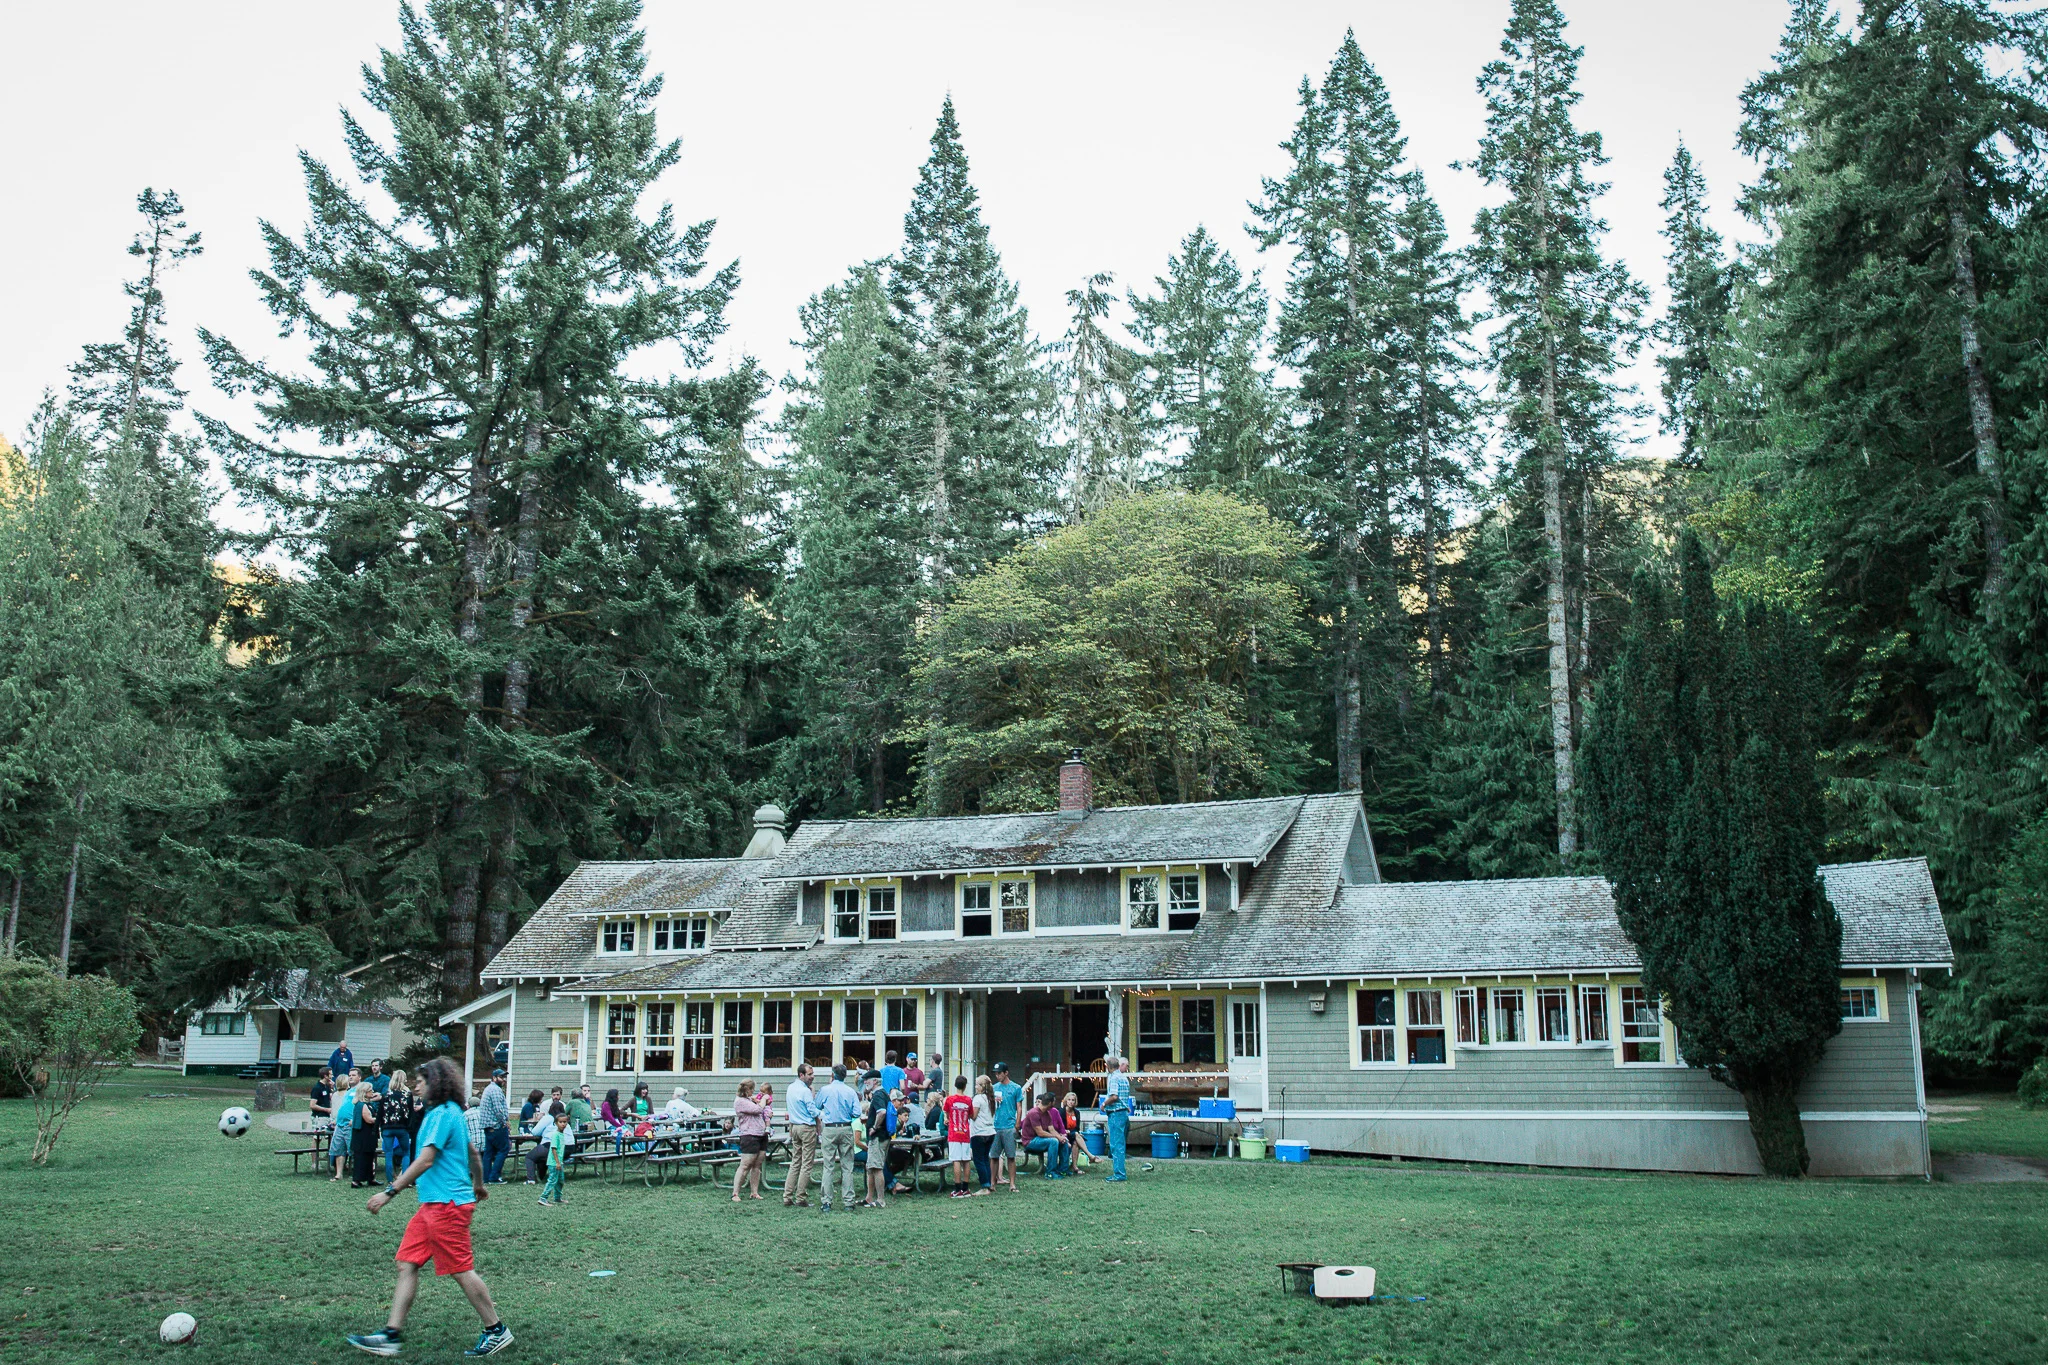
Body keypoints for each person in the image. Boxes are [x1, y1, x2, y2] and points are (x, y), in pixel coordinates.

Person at [347, 1056, 512, 1358]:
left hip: (446, 1206)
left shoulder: (441, 1115)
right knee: (407, 1263)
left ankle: (496, 1329)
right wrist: (478, 1184)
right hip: (433, 1206)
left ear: (436, 1083)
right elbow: (472, 1153)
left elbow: (425, 1160)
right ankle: (391, 1335)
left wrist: (390, 1192)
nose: (416, 1086)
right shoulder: (451, 1112)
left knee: (461, 1270)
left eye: (421, 1081)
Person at [815, 1063, 862, 1213]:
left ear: (832, 1075)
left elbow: (817, 1106)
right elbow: (857, 1112)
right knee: (847, 1166)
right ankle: (848, 1201)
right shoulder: (850, 1091)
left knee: (828, 1166)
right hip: (846, 1127)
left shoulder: (825, 1090)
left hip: (829, 1128)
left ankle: (826, 1201)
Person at [783, 1063, 819, 1208]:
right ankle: (800, 1196)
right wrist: (823, 1114)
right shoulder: (805, 1091)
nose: (812, 1077)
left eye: (812, 1074)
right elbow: (813, 1110)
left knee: (795, 1161)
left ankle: (787, 1195)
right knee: (807, 1163)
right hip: (806, 1127)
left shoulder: (791, 1088)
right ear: (801, 1075)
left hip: (794, 1126)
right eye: (809, 1074)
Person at [730, 1080, 772, 1202]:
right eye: (751, 1089)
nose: (753, 1091)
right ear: (745, 1089)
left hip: (761, 1134)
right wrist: (763, 1099)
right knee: (745, 1164)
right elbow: (758, 1109)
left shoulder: (749, 1099)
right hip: (749, 1135)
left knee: (757, 1165)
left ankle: (754, 1192)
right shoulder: (740, 1101)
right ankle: (735, 1193)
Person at [990, 1062, 1023, 1193]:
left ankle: (1012, 1183)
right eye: (996, 1073)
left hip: (1009, 1125)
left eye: (999, 1073)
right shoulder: (994, 1088)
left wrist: (1017, 1123)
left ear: (1006, 1073)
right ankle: (992, 1183)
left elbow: (1019, 1107)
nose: (997, 1076)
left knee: (1011, 1156)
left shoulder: (1016, 1088)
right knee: (994, 1156)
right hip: (996, 1125)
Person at [1020, 1092, 1070, 1178]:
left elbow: (1052, 1130)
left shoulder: (1047, 1113)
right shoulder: (1034, 1113)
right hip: (1030, 1141)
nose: (1055, 1103)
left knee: (1063, 1141)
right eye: (1054, 1101)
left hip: (1040, 1139)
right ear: (1050, 1103)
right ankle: (1050, 1173)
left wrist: (1061, 1137)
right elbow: (1040, 1133)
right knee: (1054, 1141)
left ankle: (1063, 1170)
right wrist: (1057, 1137)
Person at [861, 1081, 894, 1208]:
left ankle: (880, 1200)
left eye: (867, 1079)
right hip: (879, 1136)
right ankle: (869, 1198)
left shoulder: (878, 1094)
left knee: (876, 1167)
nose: (865, 1082)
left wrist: (874, 1127)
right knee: (870, 1168)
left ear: (875, 1081)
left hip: (878, 1137)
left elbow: (882, 1112)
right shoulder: (883, 1093)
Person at [942, 1076, 975, 1198]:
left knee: (956, 1160)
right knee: (966, 1160)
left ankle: (957, 1188)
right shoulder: (968, 1100)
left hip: (954, 1133)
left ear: (955, 1085)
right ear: (965, 1086)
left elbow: (946, 1112)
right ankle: (965, 1188)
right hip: (965, 1132)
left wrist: (947, 1119)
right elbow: (971, 1114)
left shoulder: (950, 1099)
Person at [380, 1070, 416, 1181]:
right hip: (402, 1127)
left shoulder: (385, 1094)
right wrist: (410, 1127)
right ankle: (404, 1179)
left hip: (387, 1127)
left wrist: (379, 1127)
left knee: (388, 1153)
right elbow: (411, 1113)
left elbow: (381, 1112)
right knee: (406, 1153)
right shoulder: (407, 1095)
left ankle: (390, 1180)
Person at [1103, 1056, 1133, 1182]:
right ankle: (1119, 1172)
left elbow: (1114, 1096)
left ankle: (1119, 1174)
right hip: (1123, 1113)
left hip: (1116, 1113)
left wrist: (1104, 1103)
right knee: (1120, 1143)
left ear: (1107, 1066)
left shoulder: (1114, 1078)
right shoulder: (1123, 1077)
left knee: (1116, 1145)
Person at [477, 1070, 510, 1185]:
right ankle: (494, 1177)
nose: (503, 1080)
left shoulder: (488, 1089)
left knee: (488, 1153)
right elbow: (498, 1110)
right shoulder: (495, 1090)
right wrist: (505, 1122)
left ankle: (486, 1178)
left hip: (488, 1126)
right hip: (496, 1126)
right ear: (494, 1078)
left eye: (504, 1077)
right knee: (504, 1149)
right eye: (501, 1077)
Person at [536, 1109, 573, 1208]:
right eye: (560, 1122)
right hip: (554, 1162)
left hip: (559, 1162)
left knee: (560, 1180)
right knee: (552, 1180)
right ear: (556, 1123)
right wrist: (557, 1162)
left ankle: (557, 1197)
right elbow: (553, 1149)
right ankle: (543, 1197)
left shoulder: (562, 1134)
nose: (563, 1124)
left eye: (565, 1122)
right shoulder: (556, 1135)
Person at [351, 1081, 383, 1187]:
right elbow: (368, 1119)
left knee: (369, 1156)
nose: (372, 1092)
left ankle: (370, 1178)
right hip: (363, 1135)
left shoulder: (366, 1104)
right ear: (364, 1092)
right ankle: (357, 1180)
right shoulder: (362, 1105)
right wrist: (378, 1119)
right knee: (362, 1158)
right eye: (370, 1090)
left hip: (367, 1135)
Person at [969, 1075, 996, 1195]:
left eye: (977, 1085)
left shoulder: (978, 1099)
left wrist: (967, 1112)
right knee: (985, 1159)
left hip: (979, 1132)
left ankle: (985, 1186)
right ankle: (989, 1184)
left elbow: (974, 1116)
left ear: (982, 1086)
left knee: (979, 1160)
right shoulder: (990, 1098)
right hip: (990, 1131)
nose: (975, 1087)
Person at [332, 1081, 359, 1181]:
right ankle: (339, 1174)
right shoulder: (348, 1092)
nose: (351, 1077)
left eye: (353, 1075)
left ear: (359, 1077)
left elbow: (363, 1106)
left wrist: (355, 1118)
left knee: (353, 1150)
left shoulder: (361, 1089)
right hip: (340, 1124)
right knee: (339, 1149)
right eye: (350, 1075)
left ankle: (358, 1173)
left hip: (350, 1124)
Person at [1060, 1091, 1090, 1171]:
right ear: (1066, 1101)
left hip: (1073, 1134)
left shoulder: (1077, 1112)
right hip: (1063, 1134)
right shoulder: (1061, 1112)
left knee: (1076, 1141)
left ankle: (1074, 1166)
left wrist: (1074, 1132)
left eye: (1073, 1100)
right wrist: (1067, 1131)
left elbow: (1077, 1128)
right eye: (1069, 1100)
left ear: (1075, 1101)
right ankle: (1090, 1155)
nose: (1071, 1102)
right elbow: (1060, 1127)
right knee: (1077, 1135)